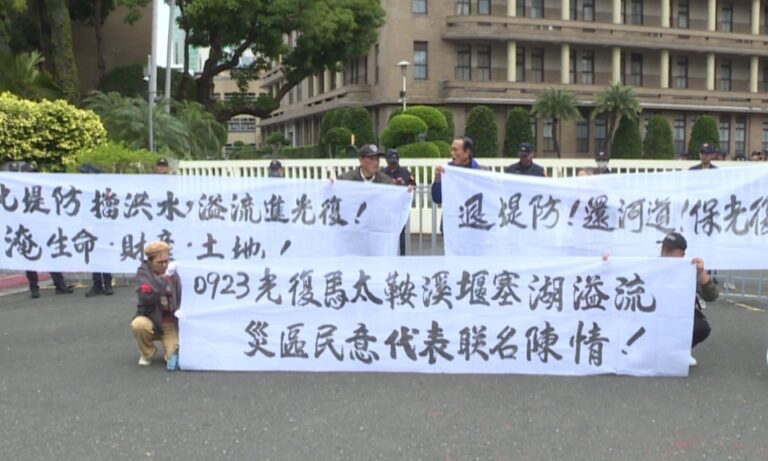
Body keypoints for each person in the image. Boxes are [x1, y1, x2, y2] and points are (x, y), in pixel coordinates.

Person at [660, 232, 717, 367]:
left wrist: (702, 272)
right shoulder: (651, 266)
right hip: (654, 312)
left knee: (701, 327)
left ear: (681, 254)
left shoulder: (690, 269)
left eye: (669, 250)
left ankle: (680, 351)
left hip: (678, 313)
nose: (664, 253)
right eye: (663, 249)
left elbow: (711, 296)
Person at [130, 241, 181, 367]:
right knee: (138, 324)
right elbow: (145, 296)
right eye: (160, 262)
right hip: (151, 318)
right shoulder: (143, 273)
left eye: (166, 261)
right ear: (150, 261)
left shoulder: (174, 270)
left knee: (174, 357)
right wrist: (164, 278)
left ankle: (169, 352)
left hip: (170, 322)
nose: (164, 265)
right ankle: (147, 353)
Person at [79, 163, 114, 297]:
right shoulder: (85, 190)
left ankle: (107, 283)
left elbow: (109, 208)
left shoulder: (104, 189)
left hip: (103, 226)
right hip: (90, 226)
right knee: (94, 256)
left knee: (104, 254)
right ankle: (97, 284)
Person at [382, 149, 416, 255]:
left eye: (395, 162)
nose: (393, 164)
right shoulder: (382, 172)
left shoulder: (405, 172)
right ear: (387, 161)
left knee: (400, 232)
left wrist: (404, 185)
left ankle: (402, 257)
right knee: (384, 233)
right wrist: (391, 183)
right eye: (391, 162)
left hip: (399, 208)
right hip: (385, 208)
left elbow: (413, 184)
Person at [431, 136, 483, 205]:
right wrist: (437, 178)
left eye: (455, 150)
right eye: (451, 150)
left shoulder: (480, 173)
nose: (452, 153)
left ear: (467, 152)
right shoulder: (447, 170)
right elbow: (437, 198)